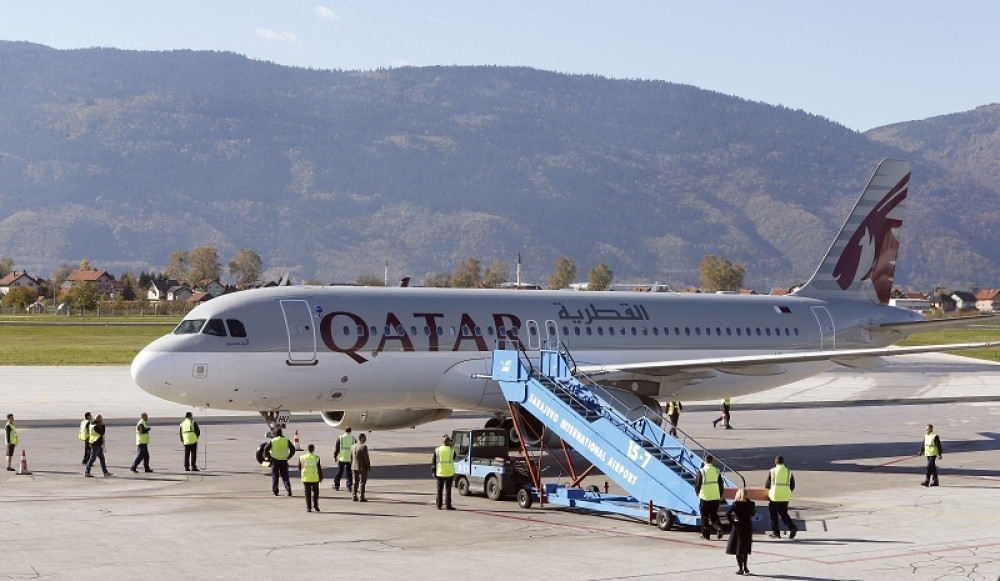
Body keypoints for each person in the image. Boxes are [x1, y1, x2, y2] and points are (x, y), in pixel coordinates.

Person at [765, 455, 797, 538]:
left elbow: (767, 485)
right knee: (784, 513)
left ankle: (776, 533)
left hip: (774, 496)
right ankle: (792, 527)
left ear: (775, 462)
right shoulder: (789, 472)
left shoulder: (772, 471)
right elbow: (792, 485)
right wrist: (787, 491)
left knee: (773, 515)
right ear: (783, 462)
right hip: (785, 496)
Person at [725, 487, 756, 575]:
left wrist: (733, 523)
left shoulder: (736, 504)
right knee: (745, 547)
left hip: (738, 526)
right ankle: (746, 567)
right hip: (748, 526)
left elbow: (727, 514)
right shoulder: (751, 504)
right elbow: (753, 514)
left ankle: (740, 568)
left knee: (738, 547)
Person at [694, 454, 724, 540]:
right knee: (714, 515)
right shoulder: (716, 470)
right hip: (715, 496)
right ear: (712, 461)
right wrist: (720, 494)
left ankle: (706, 535)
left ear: (704, 461)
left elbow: (698, 484)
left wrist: (697, 492)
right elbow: (720, 483)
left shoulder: (702, 471)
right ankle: (718, 528)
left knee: (704, 516)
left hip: (705, 496)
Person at [265, 428, 294, 496]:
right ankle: (288, 489)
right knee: (285, 477)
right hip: (284, 460)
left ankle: (275, 491)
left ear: (275, 433)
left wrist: (269, 458)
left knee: (275, 477)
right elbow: (292, 449)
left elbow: (266, 449)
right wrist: (289, 456)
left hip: (275, 461)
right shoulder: (286, 440)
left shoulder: (273, 440)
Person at [298, 444, 323, 512]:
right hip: (315, 478)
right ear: (313, 449)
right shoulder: (316, 457)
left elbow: (299, 467)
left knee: (307, 493)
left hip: (306, 478)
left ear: (307, 449)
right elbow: (319, 468)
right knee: (316, 493)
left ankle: (308, 507)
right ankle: (316, 506)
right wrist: (321, 477)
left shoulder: (302, 457)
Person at [432, 435, 455, 510]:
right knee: (448, 490)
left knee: (439, 490)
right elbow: (454, 457)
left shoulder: (437, 450)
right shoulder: (452, 450)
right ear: (449, 442)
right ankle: (448, 505)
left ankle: (439, 505)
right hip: (449, 473)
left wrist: (433, 472)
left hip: (440, 472)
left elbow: (434, 462)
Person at [332, 426, 356, 491]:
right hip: (350, 458)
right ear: (350, 431)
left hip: (342, 458)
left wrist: (335, 456)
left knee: (339, 472)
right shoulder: (353, 438)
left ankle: (336, 485)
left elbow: (337, 448)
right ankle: (349, 486)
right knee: (349, 473)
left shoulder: (340, 438)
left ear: (344, 430)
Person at [351, 433, 371, 502]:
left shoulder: (353, 446)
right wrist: (368, 466)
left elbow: (351, 457)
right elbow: (366, 458)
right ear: (361, 438)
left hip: (354, 466)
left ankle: (354, 496)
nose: (365, 439)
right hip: (362, 467)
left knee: (355, 482)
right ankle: (361, 496)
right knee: (362, 482)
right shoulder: (364, 446)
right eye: (364, 438)